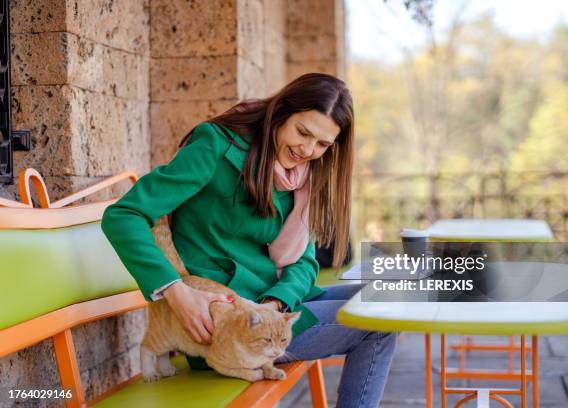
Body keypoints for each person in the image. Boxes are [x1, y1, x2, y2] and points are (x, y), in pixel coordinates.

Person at [101, 73, 397, 407]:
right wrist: (176, 292)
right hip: (224, 326)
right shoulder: (215, 146)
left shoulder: (301, 180)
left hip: (270, 310)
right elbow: (123, 215)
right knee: (380, 322)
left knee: (384, 296)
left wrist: (276, 304)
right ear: (281, 112)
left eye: (323, 144)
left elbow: (304, 261)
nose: (308, 150)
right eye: (303, 133)